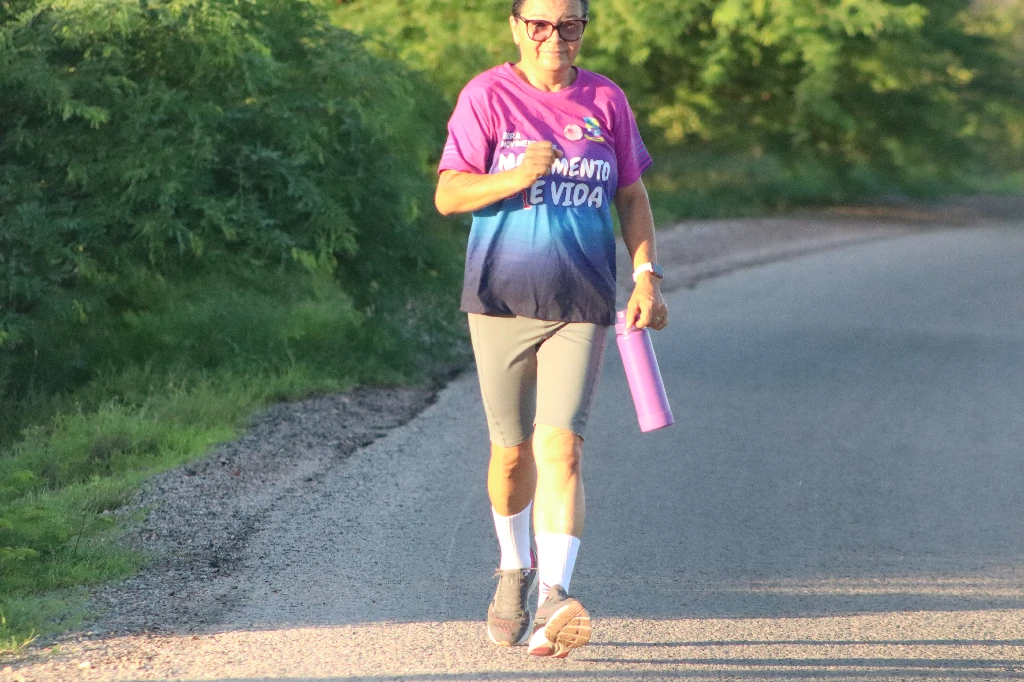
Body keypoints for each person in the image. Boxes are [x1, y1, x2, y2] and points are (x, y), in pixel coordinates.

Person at [434, 0, 668, 658]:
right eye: (539, 24)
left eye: (569, 25)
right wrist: (515, 175)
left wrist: (646, 276)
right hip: (500, 300)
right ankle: (514, 568)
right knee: (512, 455)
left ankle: (553, 599)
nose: (554, 37)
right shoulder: (487, 96)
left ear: (584, 28)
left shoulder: (606, 100)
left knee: (561, 449)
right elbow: (449, 194)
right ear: (516, 27)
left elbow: (631, 194)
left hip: (581, 300)